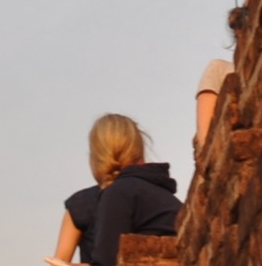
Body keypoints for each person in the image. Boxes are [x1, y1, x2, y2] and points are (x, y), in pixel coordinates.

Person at [46, 113, 182, 265]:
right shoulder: (163, 197)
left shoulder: (119, 193)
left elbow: (106, 263)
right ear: (139, 150)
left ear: (97, 156)